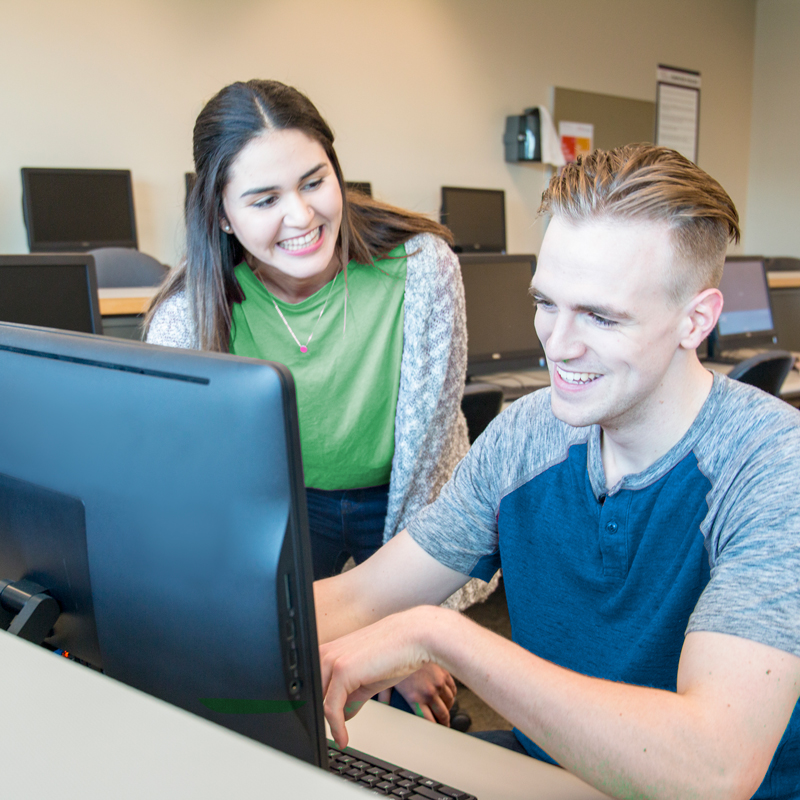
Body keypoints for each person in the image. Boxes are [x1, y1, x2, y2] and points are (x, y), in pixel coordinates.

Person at [315, 144, 800, 799]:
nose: (558, 343)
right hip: (545, 775)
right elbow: (362, 598)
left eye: (602, 316)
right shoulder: (528, 433)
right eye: (547, 302)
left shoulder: (772, 465)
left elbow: (711, 771)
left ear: (697, 320)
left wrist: (441, 635)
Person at [146, 79, 493, 725]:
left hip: (402, 496)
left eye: (314, 181)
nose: (302, 216)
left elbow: (427, 463)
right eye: (264, 199)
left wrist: (409, 631)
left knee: (398, 696)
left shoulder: (422, 270)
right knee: (276, 677)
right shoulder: (188, 318)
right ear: (221, 213)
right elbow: (209, 508)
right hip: (284, 507)